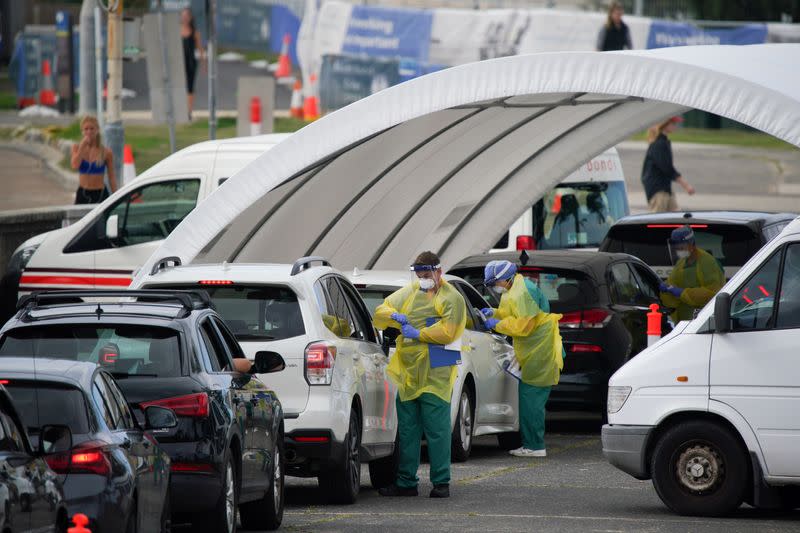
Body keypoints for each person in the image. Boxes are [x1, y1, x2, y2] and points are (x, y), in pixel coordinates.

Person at [373, 251, 467, 499]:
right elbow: (380, 310)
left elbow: (449, 331)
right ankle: (406, 483)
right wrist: (392, 315)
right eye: (419, 274)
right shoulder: (411, 292)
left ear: (438, 271)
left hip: (437, 370)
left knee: (437, 430)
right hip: (409, 372)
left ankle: (441, 483)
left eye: (427, 274)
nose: (423, 279)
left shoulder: (452, 298)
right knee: (407, 431)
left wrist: (419, 334)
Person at [481, 260, 564, 458]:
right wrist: (494, 313)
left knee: (531, 402)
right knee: (528, 399)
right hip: (532, 352)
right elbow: (510, 313)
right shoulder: (514, 288)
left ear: (505, 278)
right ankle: (531, 444)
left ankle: (535, 447)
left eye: (495, 282)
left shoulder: (522, 291)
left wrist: (496, 324)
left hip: (540, 351)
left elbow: (524, 327)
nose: (494, 286)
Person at [660, 226, 724, 322]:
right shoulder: (681, 263)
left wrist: (683, 293)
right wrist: (666, 290)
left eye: (682, 246)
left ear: (691, 244)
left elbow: (712, 293)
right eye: (677, 247)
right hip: (683, 323)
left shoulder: (707, 261)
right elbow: (672, 283)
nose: (679, 249)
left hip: (702, 321)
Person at [641, 116, 695, 212]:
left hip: (665, 188)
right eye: (673, 123)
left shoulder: (663, 142)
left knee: (674, 217)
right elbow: (668, 169)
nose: (675, 125)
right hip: (658, 190)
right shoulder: (659, 144)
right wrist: (686, 185)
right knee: (657, 223)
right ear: (664, 124)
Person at [70, 115, 117, 204]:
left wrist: (116, 195)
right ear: (82, 131)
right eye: (86, 129)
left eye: (92, 129)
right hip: (83, 192)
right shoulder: (76, 148)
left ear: (97, 130)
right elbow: (74, 166)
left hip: (100, 193)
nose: (89, 132)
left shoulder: (106, 152)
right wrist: (81, 148)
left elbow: (111, 177)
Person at [181, 8, 205, 120]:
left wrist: (203, 64)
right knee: (179, 86)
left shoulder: (195, 32)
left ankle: (189, 111)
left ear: (190, 18)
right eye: (183, 16)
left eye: (187, 16)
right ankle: (179, 110)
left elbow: (200, 49)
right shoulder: (178, 31)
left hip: (190, 62)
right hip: (180, 63)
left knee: (190, 88)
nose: (185, 18)